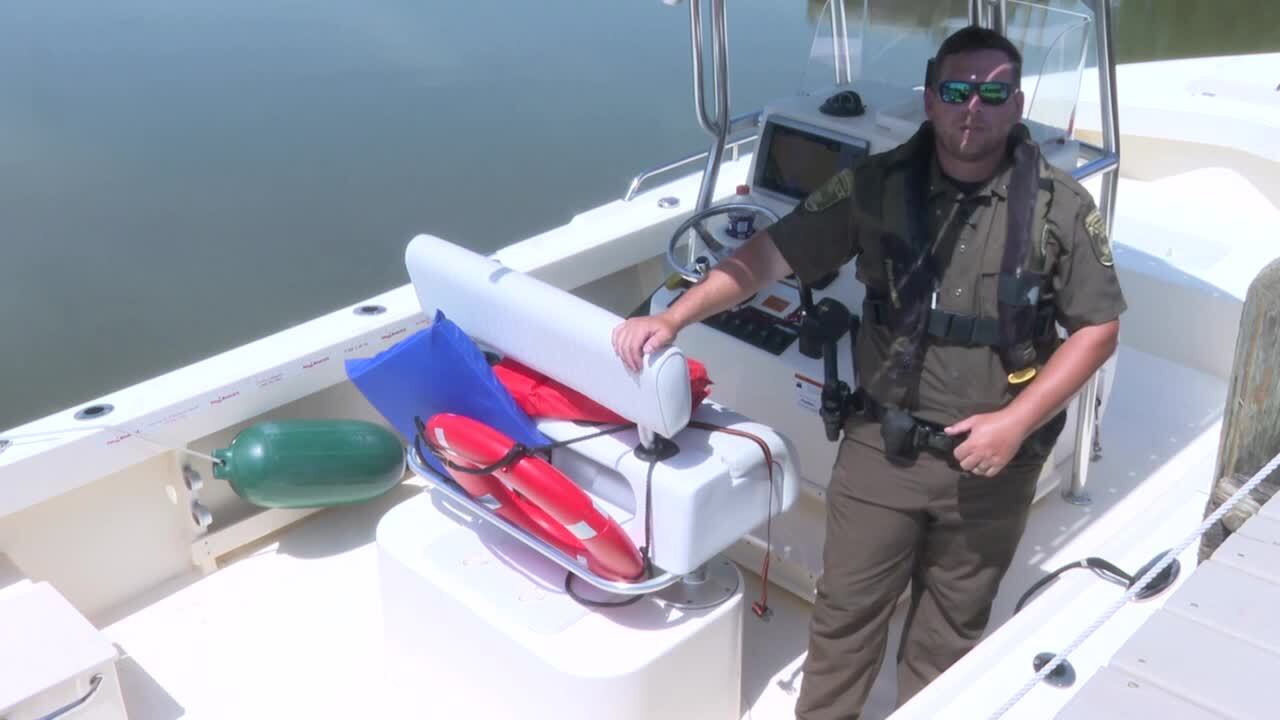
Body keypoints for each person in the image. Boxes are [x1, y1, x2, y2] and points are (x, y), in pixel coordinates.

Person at [613, 23, 1126, 720]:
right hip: (883, 450)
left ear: (1016, 103)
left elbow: (1097, 327)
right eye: (956, 90)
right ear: (929, 97)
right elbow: (767, 256)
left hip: (994, 467)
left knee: (951, 634)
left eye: (993, 92)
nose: (973, 107)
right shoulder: (874, 186)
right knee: (844, 621)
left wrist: (1015, 423)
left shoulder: (1061, 207)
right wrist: (674, 316)